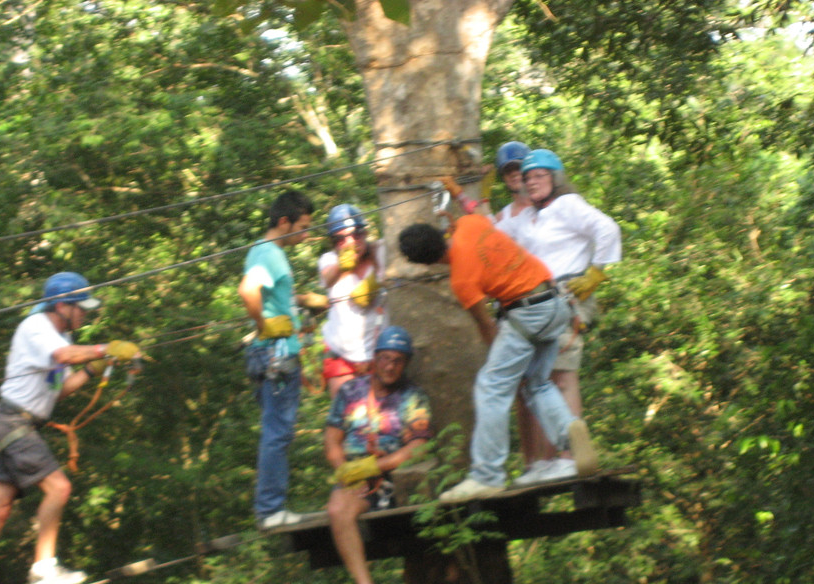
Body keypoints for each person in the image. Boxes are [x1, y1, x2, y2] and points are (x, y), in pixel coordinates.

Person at [0, 272, 141, 584]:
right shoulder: (38, 327)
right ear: (61, 305)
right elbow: (64, 357)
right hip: (14, 422)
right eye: (80, 308)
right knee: (59, 488)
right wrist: (106, 348)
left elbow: (61, 388)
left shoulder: (56, 336)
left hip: (16, 424)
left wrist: (98, 368)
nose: (85, 314)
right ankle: (44, 569)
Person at [398, 215, 599, 503]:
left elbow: (486, 325)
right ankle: (571, 441)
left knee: (491, 386)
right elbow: (472, 214)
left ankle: (487, 476)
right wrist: (455, 192)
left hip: (528, 314)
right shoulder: (470, 224)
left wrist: (498, 358)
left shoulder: (461, 279)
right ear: (439, 232)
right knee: (536, 382)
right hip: (557, 303)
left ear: (426, 263)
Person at [495, 148, 621, 486]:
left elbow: (607, 229)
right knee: (539, 380)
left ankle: (571, 457)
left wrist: (596, 273)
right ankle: (547, 460)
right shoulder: (527, 218)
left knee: (563, 377)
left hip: (569, 295)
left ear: (555, 178)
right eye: (528, 177)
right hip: (538, 304)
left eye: (539, 176)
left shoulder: (568, 206)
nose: (532, 182)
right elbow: (491, 237)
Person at [324, 326, 431, 584]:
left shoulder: (413, 397)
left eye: (398, 360)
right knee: (337, 508)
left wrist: (377, 468)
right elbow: (332, 441)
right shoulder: (350, 392)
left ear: (406, 363)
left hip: (391, 475)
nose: (390, 366)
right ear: (374, 359)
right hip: (355, 474)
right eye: (385, 358)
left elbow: (418, 446)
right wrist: (344, 470)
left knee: (344, 505)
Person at [237, 189, 314, 530]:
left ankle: (271, 506)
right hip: (276, 353)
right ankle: (270, 509)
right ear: (284, 222)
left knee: (277, 431)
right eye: (303, 226)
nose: (307, 234)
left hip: (274, 352)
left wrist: (303, 301)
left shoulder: (268, 253)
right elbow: (248, 290)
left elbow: (272, 295)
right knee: (277, 432)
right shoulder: (268, 253)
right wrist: (263, 326)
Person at [318, 204, 388, 399]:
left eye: (356, 235)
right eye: (341, 239)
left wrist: (377, 274)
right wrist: (342, 265)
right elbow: (327, 279)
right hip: (340, 353)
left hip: (380, 353)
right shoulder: (328, 260)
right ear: (334, 242)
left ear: (365, 234)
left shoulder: (381, 252)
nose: (350, 242)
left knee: (382, 418)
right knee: (344, 418)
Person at [491, 140, 532, 223]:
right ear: (503, 177)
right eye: (508, 170)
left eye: (518, 168)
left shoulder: (549, 207)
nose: (514, 174)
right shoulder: (500, 219)